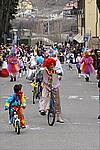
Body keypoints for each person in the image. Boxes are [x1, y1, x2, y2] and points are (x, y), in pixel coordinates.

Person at [39, 57, 64, 123]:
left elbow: (60, 74)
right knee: (44, 96)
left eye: (53, 64)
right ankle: (42, 109)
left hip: (55, 86)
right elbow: (39, 76)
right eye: (50, 64)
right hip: (46, 86)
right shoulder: (44, 70)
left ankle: (58, 116)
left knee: (57, 102)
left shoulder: (56, 70)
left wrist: (59, 74)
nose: (52, 66)